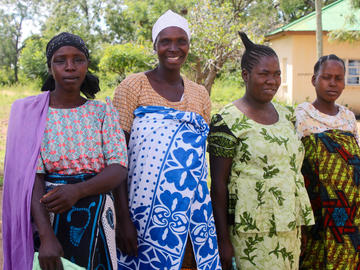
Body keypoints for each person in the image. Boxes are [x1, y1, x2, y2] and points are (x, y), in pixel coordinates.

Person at [2, 32, 128, 270]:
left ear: (87, 64)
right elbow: (32, 178)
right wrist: (47, 237)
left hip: (100, 217)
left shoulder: (102, 111)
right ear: (50, 67)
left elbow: (118, 167)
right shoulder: (32, 114)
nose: (70, 67)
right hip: (51, 215)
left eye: (78, 59)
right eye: (60, 60)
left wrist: (77, 191)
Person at [113, 10, 221, 270]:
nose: (174, 48)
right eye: (165, 41)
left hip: (192, 212)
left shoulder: (199, 94)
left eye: (181, 41)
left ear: (188, 45)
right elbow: (116, 156)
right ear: (155, 46)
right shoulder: (133, 86)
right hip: (141, 214)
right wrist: (123, 219)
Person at [208, 32, 314, 270]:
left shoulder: (287, 115)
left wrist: (300, 225)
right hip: (248, 233)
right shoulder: (227, 120)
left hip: (288, 228)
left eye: (277, 74)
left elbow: (293, 172)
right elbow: (218, 185)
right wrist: (223, 240)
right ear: (246, 75)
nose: (272, 80)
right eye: (264, 74)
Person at [296, 54, 360, 269]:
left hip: (352, 217)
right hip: (318, 214)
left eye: (338, 78)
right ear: (314, 79)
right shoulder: (301, 116)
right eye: (326, 77)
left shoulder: (349, 118)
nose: (333, 83)